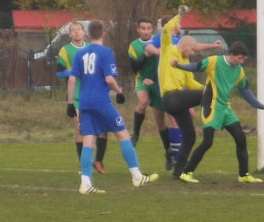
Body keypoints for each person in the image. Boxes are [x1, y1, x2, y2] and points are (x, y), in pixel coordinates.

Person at [66, 19, 157, 194]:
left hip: (84, 103)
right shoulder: (106, 53)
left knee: (88, 141)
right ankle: (137, 176)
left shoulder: (80, 54)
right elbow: (109, 79)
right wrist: (120, 92)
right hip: (101, 102)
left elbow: (71, 79)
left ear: (87, 34)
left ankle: (85, 183)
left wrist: (70, 103)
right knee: (122, 134)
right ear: (104, 34)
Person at [171, 41, 264, 183]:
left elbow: (245, 91)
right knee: (207, 142)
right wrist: (179, 65)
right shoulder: (215, 61)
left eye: (243, 59)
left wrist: (260, 105)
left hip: (226, 108)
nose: (241, 62)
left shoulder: (239, 71)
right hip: (211, 106)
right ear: (231, 55)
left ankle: (244, 175)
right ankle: (186, 173)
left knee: (241, 139)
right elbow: (196, 66)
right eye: (239, 58)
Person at [157, 5, 223, 178]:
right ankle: (221, 121)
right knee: (210, 95)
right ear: (184, 45)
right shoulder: (168, 49)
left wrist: (207, 89)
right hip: (171, 98)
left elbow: (191, 83)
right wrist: (179, 16)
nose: (193, 53)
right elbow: (165, 30)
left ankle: (178, 172)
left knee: (190, 136)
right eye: (192, 50)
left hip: (177, 103)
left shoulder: (184, 61)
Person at [128, 17, 183, 169]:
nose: (146, 31)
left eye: (148, 28)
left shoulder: (160, 39)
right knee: (143, 102)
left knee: (160, 120)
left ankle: (168, 153)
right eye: (142, 28)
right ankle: (136, 135)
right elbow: (134, 68)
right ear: (138, 29)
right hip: (143, 80)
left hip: (160, 82)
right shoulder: (134, 45)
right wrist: (146, 55)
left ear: (153, 29)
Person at [57, 20, 108, 174]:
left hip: (95, 94)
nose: (76, 32)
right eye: (73, 30)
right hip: (77, 95)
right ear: (69, 34)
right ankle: (83, 165)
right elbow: (60, 73)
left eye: (79, 29)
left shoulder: (91, 48)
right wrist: (76, 70)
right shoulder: (65, 51)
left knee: (102, 129)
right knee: (80, 128)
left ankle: (98, 161)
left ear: (85, 32)